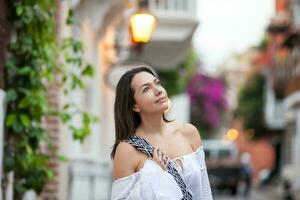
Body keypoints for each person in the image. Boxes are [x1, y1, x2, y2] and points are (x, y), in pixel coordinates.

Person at [110, 66, 213, 200]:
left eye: (157, 83)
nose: (158, 90)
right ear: (134, 105)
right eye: (146, 89)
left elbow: (204, 192)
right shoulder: (127, 149)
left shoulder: (188, 133)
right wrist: (151, 171)